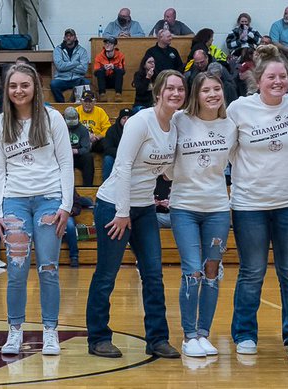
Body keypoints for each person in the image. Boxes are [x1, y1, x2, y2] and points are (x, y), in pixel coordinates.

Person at [89, 69, 183, 359]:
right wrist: (121, 212)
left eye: (181, 89)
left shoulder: (176, 125)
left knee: (153, 274)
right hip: (114, 205)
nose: (176, 93)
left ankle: (157, 339)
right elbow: (123, 167)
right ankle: (98, 337)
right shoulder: (141, 122)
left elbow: (166, 170)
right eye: (170, 88)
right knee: (107, 274)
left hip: (144, 208)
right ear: (158, 92)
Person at [227, 45, 288, 356]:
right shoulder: (239, 109)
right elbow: (228, 149)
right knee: (251, 271)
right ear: (258, 79)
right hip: (250, 204)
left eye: (282, 76)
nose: (277, 81)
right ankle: (245, 333)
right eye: (270, 76)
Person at [0, 63, 73, 356]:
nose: (18, 90)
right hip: (14, 201)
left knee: (48, 268)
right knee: (16, 270)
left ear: (35, 87)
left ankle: (50, 330)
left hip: (49, 199)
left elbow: (66, 162)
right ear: (6, 89)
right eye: (13, 86)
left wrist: (66, 204)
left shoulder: (53, 118)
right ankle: (15, 331)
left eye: (25, 85)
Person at [168, 72, 235, 357]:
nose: (212, 94)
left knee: (211, 271)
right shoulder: (180, 120)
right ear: (196, 94)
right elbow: (167, 162)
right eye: (205, 90)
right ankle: (188, 335)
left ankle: (204, 333)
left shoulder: (231, 126)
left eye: (216, 89)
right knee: (192, 270)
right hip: (184, 206)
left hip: (218, 207)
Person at [50, 28, 90, 103]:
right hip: (62, 79)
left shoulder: (82, 51)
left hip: (77, 79)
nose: (68, 37)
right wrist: (75, 63)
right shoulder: (58, 50)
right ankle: (61, 104)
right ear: (64, 38)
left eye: (71, 36)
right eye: (67, 36)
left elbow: (84, 69)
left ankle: (78, 104)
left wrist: (66, 66)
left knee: (86, 82)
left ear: (75, 38)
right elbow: (60, 66)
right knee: (53, 84)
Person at [63, 107, 93, 187]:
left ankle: (88, 187)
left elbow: (86, 148)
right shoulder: (61, 128)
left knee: (88, 158)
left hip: (78, 156)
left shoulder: (83, 129)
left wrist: (76, 151)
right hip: (64, 156)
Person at [101, 108, 133, 180]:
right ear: (120, 119)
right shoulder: (112, 130)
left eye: (128, 118)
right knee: (108, 159)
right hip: (116, 156)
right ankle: (106, 186)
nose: (126, 120)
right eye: (124, 118)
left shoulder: (138, 130)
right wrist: (122, 154)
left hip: (132, 157)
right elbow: (107, 148)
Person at [93, 37, 126, 101]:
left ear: (114, 45)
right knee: (100, 72)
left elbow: (123, 72)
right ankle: (102, 94)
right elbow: (95, 72)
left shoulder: (120, 56)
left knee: (119, 72)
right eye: (105, 43)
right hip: (104, 81)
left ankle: (118, 94)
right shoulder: (99, 56)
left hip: (114, 81)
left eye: (110, 44)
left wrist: (114, 68)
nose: (107, 45)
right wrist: (103, 68)